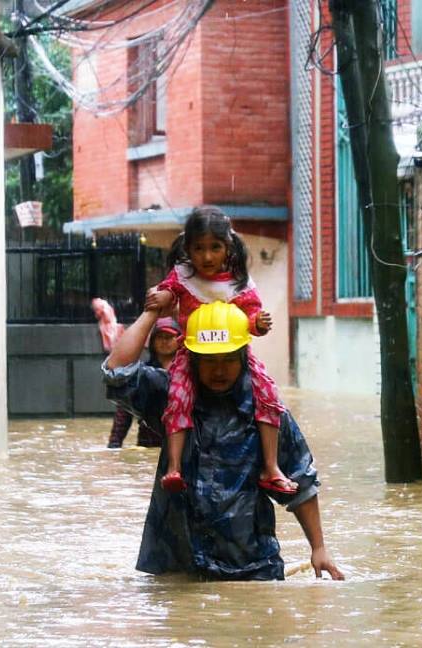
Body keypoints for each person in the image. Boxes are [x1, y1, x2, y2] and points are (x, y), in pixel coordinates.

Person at [102, 301, 344, 581]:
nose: (219, 370)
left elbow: (301, 480)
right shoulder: (170, 397)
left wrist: (319, 548)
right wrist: (151, 312)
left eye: (228, 358)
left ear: (243, 356)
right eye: (209, 360)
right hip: (179, 566)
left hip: (250, 567)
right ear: (192, 358)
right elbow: (115, 373)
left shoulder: (265, 411)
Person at [144, 206, 295, 497]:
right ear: (188, 248)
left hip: (235, 355)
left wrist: (259, 324)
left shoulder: (239, 283)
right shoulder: (183, 276)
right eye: (199, 248)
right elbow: (169, 292)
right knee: (177, 397)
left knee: (268, 395)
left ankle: (272, 467)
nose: (207, 256)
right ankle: (174, 467)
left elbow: (251, 320)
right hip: (192, 354)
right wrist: (162, 296)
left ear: (228, 247)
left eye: (215, 247)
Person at [107, 317, 181, 448]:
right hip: (148, 442)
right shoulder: (142, 374)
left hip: (181, 441)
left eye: (169, 337)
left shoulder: (187, 373)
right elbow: (124, 411)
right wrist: (114, 443)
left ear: (179, 340)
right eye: (160, 337)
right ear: (152, 342)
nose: (165, 341)